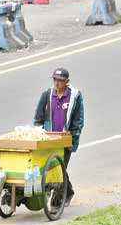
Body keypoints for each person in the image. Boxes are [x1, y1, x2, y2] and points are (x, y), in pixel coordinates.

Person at [33, 67, 84, 206]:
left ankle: (57, 202)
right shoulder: (47, 95)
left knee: (60, 169)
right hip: (49, 140)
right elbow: (38, 117)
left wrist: (72, 138)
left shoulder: (75, 96)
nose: (56, 83)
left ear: (67, 82)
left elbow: (78, 121)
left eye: (60, 81)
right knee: (53, 168)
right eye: (55, 80)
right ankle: (68, 192)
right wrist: (39, 132)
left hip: (64, 141)